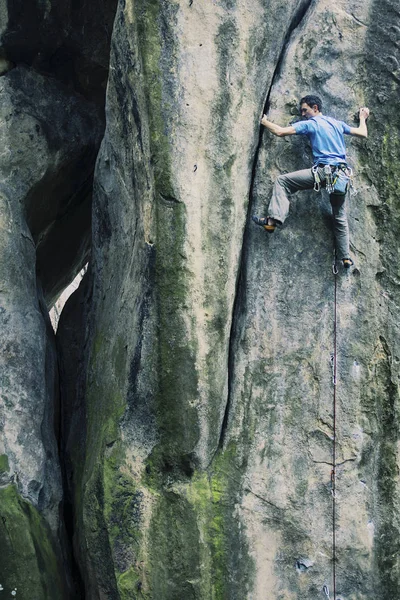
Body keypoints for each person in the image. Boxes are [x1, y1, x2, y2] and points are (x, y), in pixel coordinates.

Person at [252, 95, 369, 268]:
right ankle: (345, 257)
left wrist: (264, 121)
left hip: (323, 172)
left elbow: (280, 131)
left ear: (315, 108)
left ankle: (272, 220)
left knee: (283, 182)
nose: (303, 114)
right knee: (339, 215)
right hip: (342, 177)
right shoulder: (336, 123)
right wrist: (362, 118)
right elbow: (362, 133)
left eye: (305, 110)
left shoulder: (311, 124)